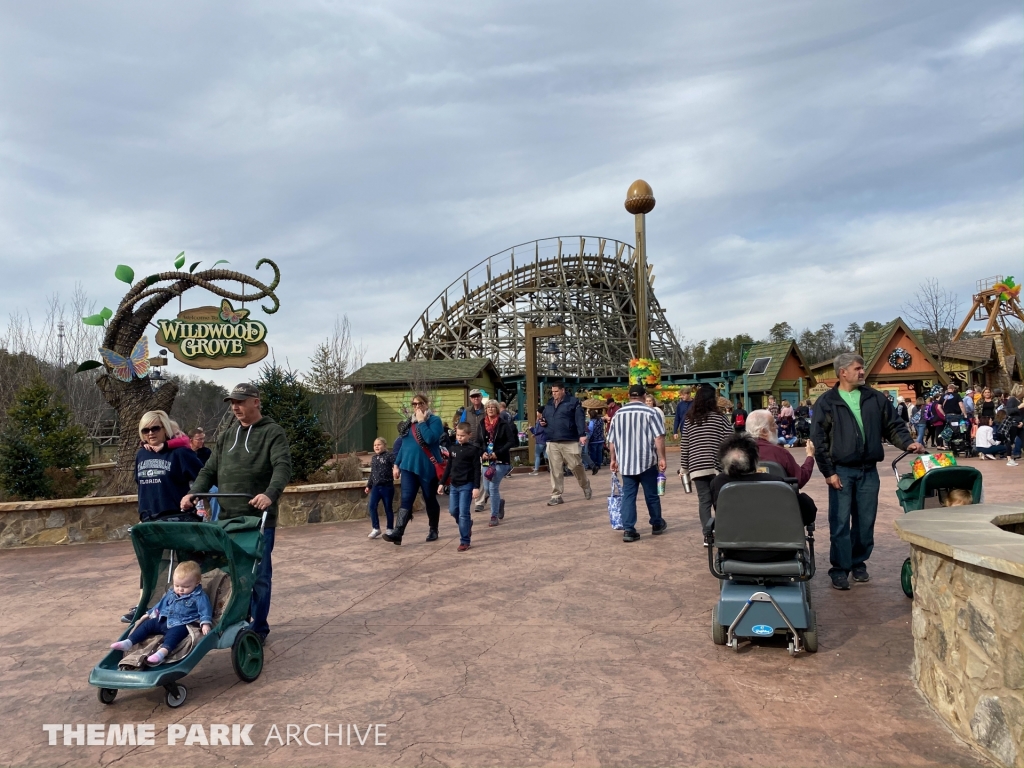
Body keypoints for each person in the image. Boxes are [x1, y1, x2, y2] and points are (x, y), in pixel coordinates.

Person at [181, 383, 292, 643]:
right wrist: (194, 492)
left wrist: (270, 494)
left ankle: (258, 628)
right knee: (228, 573)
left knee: (259, 576)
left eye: (240, 401)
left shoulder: (272, 432)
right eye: (232, 402)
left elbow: (282, 466)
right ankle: (234, 621)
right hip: (227, 520)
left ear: (256, 402)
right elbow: (209, 470)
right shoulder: (227, 435)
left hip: (258, 520)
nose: (235, 407)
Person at [810, 353, 922, 591]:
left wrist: (907, 443)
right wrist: (829, 472)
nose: (862, 372)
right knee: (840, 522)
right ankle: (839, 569)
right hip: (841, 471)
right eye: (857, 368)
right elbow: (819, 440)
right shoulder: (827, 402)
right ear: (843, 372)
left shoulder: (875, 398)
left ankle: (858, 562)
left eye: (862, 368)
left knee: (865, 522)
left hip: (868, 471)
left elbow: (893, 425)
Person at [110, 560, 212, 667]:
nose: (180, 589)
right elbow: (160, 605)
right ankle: (129, 642)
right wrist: (149, 614)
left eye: (185, 587)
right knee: (147, 625)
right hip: (163, 619)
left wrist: (205, 623)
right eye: (177, 585)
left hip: (181, 624)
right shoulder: (171, 593)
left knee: (174, 636)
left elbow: (205, 610)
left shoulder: (199, 597)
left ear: (197, 583)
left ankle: (161, 653)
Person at [709, 434, 817, 526]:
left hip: (733, 541)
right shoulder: (775, 482)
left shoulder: (718, 483)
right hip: (775, 540)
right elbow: (808, 514)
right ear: (755, 460)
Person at [383, 392, 445, 545]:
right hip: (408, 467)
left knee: (429, 499)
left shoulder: (434, 421)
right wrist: (396, 464)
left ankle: (433, 529)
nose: (417, 407)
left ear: (426, 404)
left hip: (427, 467)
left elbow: (430, 439)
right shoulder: (408, 424)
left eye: (420, 403)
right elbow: (404, 447)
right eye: (414, 404)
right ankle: (398, 532)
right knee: (406, 499)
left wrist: (422, 421)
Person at [607, 384, 667, 542]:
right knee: (651, 495)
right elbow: (659, 437)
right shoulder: (651, 412)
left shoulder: (618, 414)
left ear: (629, 396)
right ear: (644, 396)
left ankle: (628, 529)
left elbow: (612, 440)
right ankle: (656, 524)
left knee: (628, 496)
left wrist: (613, 459)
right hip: (647, 460)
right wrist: (662, 457)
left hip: (626, 462)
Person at [679, 384, 732, 539]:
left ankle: (707, 535)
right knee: (719, 500)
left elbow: (685, 445)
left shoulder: (689, 419)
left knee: (704, 500)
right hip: (717, 466)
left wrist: (684, 468)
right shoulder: (720, 418)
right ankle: (722, 532)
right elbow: (729, 439)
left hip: (697, 466)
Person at [539, 381, 592, 506]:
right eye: (552, 392)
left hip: (570, 440)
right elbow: (546, 417)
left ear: (563, 390)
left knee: (575, 466)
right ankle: (556, 495)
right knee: (555, 470)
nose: (554, 394)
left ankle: (585, 485)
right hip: (552, 440)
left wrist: (582, 434)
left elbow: (579, 419)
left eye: (556, 391)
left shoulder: (573, 402)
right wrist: (543, 422)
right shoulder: (549, 403)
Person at [744, 410, 815, 489]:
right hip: (776, 495)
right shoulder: (779, 453)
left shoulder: (737, 453)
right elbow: (800, 479)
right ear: (764, 431)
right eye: (773, 424)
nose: (777, 426)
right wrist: (810, 456)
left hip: (743, 496)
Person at [439, 422, 482, 551]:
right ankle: (467, 525)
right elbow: (448, 468)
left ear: (469, 435)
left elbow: (477, 469)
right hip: (454, 485)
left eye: (462, 435)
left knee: (463, 513)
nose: (459, 438)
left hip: (467, 485)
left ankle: (464, 541)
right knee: (453, 510)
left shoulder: (473, 450)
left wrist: (476, 487)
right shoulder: (453, 448)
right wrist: (441, 483)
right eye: (458, 435)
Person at [477, 399, 516, 527]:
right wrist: (482, 452)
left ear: (497, 409)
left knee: (493, 486)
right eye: (488, 407)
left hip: (500, 460)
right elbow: (477, 442)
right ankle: (499, 503)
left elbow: (511, 441)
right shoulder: (482, 423)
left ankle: (493, 516)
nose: (490, 409)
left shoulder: (503, 424)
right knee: (487, 488)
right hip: (486, 460)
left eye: (493, 407)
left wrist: (498, 453)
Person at [364, 437, 395, 538]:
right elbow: (372, 474)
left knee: (388, 508)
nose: (376, 447)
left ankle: (390, 528)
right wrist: (369, 485)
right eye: (375, 445)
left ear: (384, 446)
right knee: (372, 506)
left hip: (387, 487)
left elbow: (396, 465)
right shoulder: (374, 458)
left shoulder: (389, 456)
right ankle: (376, 528)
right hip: (376, 487)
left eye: (379, 444)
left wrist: (397, 470)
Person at [582, 409, 605, 475]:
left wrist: (588, 437)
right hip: (600, 439)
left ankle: (593, 464)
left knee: (593, 453)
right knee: (599, 452)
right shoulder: (600, 420)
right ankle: (599, 464)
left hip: (594, 440)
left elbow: (590, 430)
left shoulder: (592, 421)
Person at [528, 410, 548, 475]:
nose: (536, 413)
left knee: (537, 455)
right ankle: (552, 467)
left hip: (540, 440)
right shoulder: (546, 419)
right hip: (545, 439)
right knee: (546, 455)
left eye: (537, 412)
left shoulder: (540, 420)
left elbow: (537, 431)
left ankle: (536, 470)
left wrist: (531, 428)